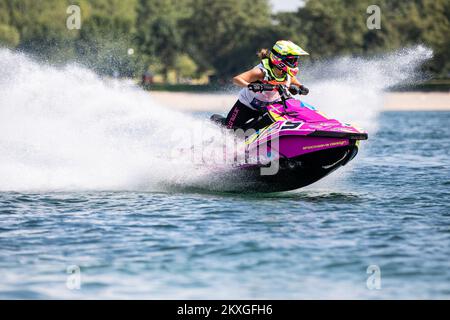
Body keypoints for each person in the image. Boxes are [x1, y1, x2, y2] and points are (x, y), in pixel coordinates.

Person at [225, 40, 310, 130]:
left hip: (269, 107)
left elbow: (291, 79)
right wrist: (250, 85)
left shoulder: (286, 72)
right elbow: (236, 79)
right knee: (229, 130)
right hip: (246, 107)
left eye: (295, 60)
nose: (294, 63)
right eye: (291, 60)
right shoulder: (261, 72)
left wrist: (301, 86)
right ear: (279, 58)